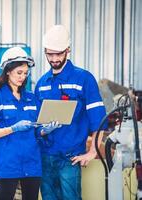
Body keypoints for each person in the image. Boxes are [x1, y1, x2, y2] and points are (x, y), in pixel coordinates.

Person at [35, 25, 107, 200]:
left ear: (68, 50)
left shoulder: (83, 79)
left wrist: (93, 152)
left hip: (70, 157)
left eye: (58, 54)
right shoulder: (42, 83)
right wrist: (43, 130)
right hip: (45, 157)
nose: (54, 59)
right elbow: (36, 122)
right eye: (49, 54)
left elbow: (98, 118)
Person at [0, 47, 57, 200]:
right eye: (19, 73)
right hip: (8, 163)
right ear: (8, 71)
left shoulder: (31, 98)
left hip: (31, 161)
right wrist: (13, 128)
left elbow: (36, 130)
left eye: (26, 73)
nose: (23, 77)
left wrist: (44, 130)